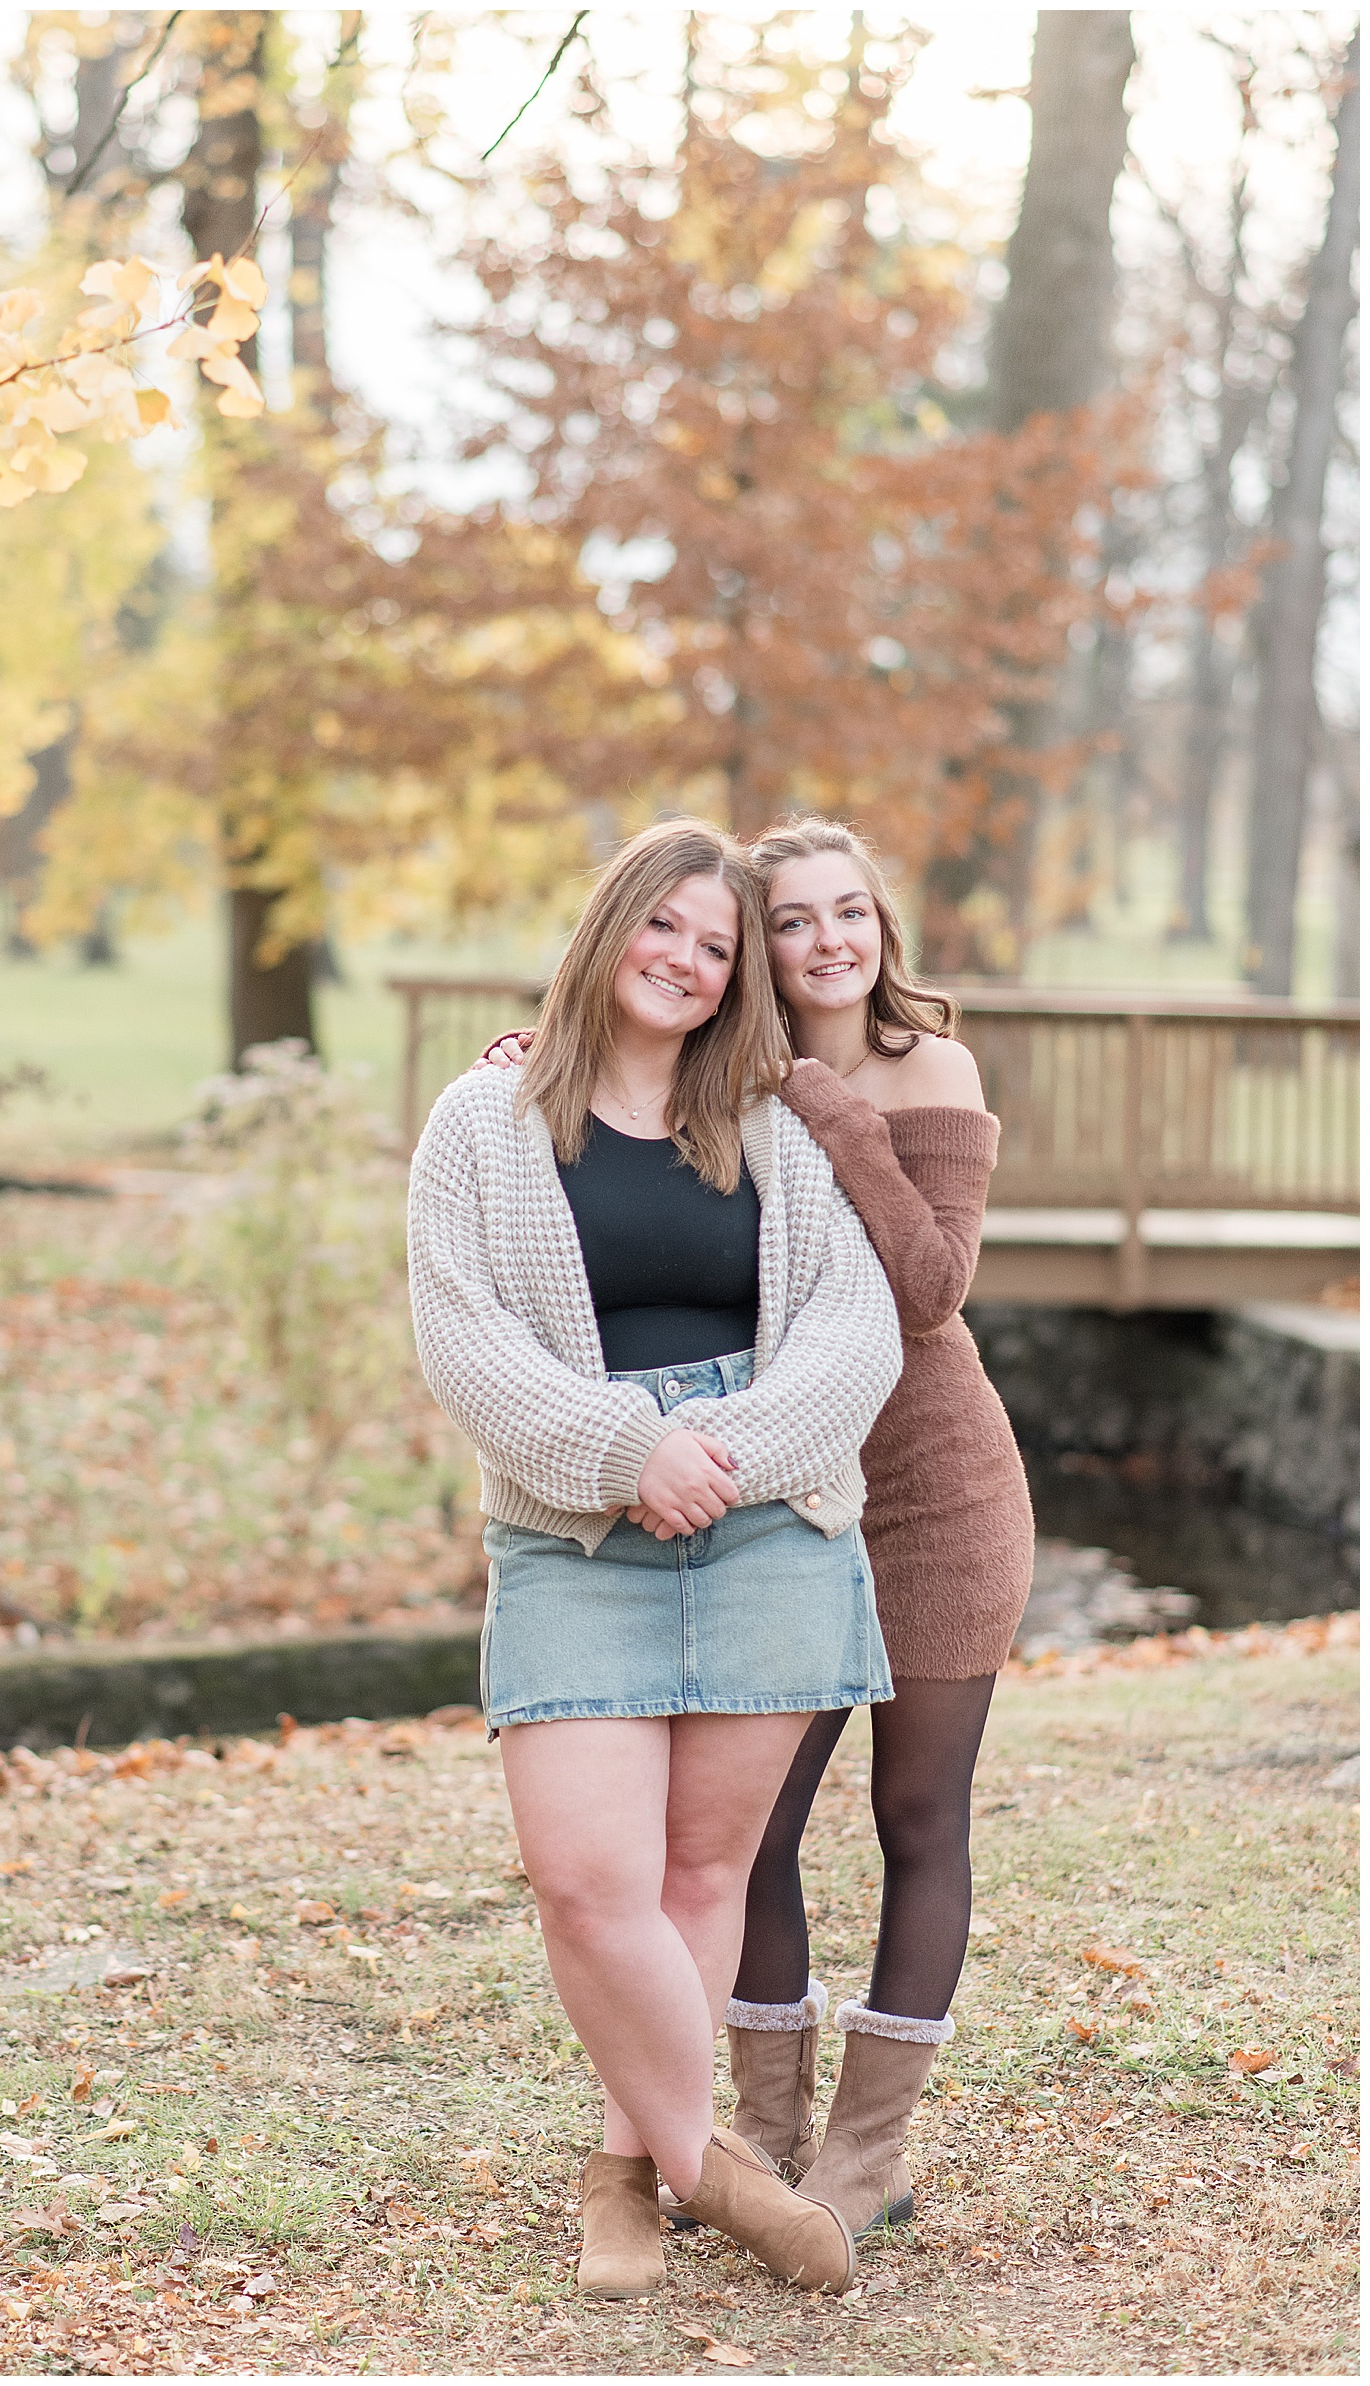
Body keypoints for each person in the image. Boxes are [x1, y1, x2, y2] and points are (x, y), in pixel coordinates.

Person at [477, 815, 1034, 2248]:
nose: (830, 939)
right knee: (758, 1827)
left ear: (883, 928)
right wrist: (529, 1051)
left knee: (918, 1814)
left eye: (854, 911)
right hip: (779, 1485)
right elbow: (603, 1123)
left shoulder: (921, 1072)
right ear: (758, 951)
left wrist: (839, 1116)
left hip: (931, 1482)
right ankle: (755, 2133)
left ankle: (866, 2150)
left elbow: (928, 1288)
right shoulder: (731, 1077)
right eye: (792, 920)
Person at [408, 818, 903, 2302]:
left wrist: (723, 1453)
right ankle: (721, 2172)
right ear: (611, 923)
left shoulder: (767, 1117)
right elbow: (463, 1335)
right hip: (574, 1526)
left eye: (717, 944)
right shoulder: (481, 1121)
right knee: (583, 1879)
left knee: (704, 1874)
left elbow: (852, 1322)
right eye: (667, 926)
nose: (686, 960)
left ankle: (630, 2170)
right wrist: (631, 1452)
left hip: (765, 1511)